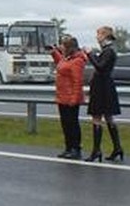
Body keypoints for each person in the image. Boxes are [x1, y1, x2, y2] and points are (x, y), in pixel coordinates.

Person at [84, 26, 124, 162]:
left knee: (97, 117)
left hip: (102, 87)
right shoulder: (109, 50)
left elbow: (100, 67)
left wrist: (90, 54)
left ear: (105, 35)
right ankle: (117, 148)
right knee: (108, 117)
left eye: (98, 34)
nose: (97, 37)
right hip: (105, 87)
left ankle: (97, 150)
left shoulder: (109, 51)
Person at [51, 35, 86, 159]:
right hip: (62, 96)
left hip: (71, 96)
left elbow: (78, 81)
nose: (61, 47)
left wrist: (75, 98)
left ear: (69, 47)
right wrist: (54, 53)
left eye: (63, 45)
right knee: (65, 123)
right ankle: (68, 147)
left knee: (72, 124)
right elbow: (61, 65)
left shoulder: (77, 60)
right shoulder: (66, 59)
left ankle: (76, 148)